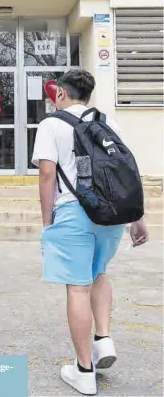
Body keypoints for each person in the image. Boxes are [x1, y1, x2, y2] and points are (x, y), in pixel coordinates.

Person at [32, 70, 149, 395]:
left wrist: (47, 221)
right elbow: (127, 169)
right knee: (99, 273)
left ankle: (84, 370)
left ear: (60, 94)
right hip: (111, 215)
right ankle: (104, 338)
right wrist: (137, 217)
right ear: (89, 95)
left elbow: (46, 174)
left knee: (77, 287)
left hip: (73, 212)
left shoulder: (51, 124)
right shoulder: (108, 121)